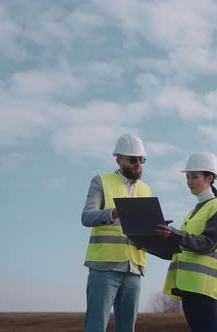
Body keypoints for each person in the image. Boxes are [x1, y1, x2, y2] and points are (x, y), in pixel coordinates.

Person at [156, 152, 217, 332]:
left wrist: (175, 234)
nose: (189, 181)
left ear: (209, 178)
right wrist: (147, 244)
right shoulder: (193, 213)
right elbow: (179, 250)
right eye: (187, 177)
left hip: (205, 288)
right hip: (188, 287)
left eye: (194, 177)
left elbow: (207, 242)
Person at [81, 133, 152, 332]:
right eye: (133, 159)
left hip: (134, 269)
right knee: (95, 327)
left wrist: (151, 236)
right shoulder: (101, 181)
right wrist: (114, 212)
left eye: (141, 159)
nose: (138, 163)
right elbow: (87, 217)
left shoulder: (146, 189)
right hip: (104, 269)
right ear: (119, 159)